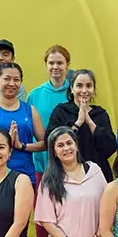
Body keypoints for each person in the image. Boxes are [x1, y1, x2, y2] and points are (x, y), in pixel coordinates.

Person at [47, 69, 117, 182]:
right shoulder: (61, 111)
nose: (84, 90)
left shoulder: (100, 114)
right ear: (72, 89)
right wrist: (78, 123)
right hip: (66, 174)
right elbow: (50, 142)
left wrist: (89, 122)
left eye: (89, 86)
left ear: (93, 89)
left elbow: (110, 148)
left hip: (98, 175)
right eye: (79, 86)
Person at [26, 44, 72, 179]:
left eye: (60, 63)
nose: (55, 67)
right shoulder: (35, 94)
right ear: (46, 65)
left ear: (67, 65)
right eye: (51, 63)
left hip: (69, 161)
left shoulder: (75, 92)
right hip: (41, 162)